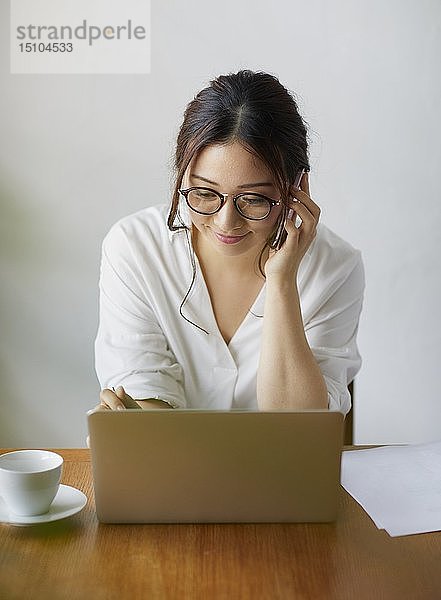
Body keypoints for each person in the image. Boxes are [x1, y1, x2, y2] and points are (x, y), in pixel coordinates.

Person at [93, 69, 365, 416]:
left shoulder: (335, 268)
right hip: (176, 469)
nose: (226, 222)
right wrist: (132, 420)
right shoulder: (135, 248)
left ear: (296, 188)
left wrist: (282, 282)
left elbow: (299, 429)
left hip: (281, 470)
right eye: (205, 193)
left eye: (253, 199)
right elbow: (145, 398)